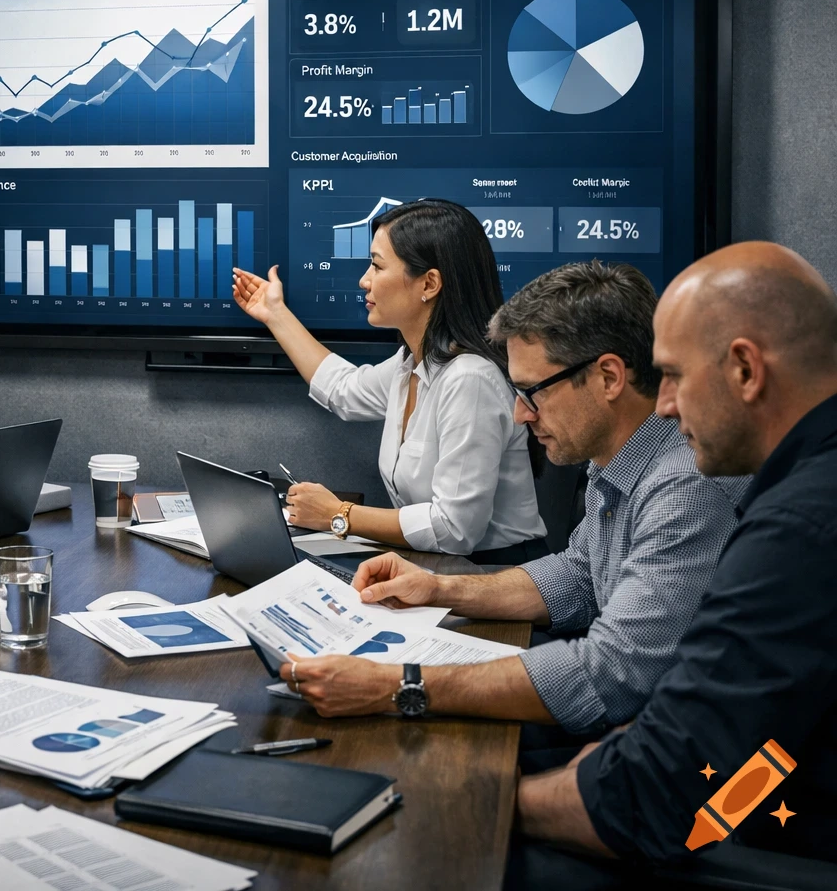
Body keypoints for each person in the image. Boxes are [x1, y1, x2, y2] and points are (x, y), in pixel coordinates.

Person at [279, 262, 744, 769]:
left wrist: (399, 685)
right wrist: (439, 590)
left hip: (681, 762)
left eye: (532, 392)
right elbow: (576, 578)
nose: (522, 414)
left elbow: (611, 676)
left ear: (609, 376)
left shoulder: (683, 488)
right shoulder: (621, 460)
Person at [515, 242, 837, 879]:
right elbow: (745, 737)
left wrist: (478, 800)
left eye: (674, 376)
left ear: (745, 369)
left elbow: (657, 792)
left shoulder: (799, 529)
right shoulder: (805, 489)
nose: (661, 405)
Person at [233, 198, 545, 562]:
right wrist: (275, 314)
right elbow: (342, 390)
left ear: (429, 283)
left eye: (377, 266)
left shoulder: (470, 379)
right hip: (437, 566)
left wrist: (338, 514)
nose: (364, 280)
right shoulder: (411, 363)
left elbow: (454, 529)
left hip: (497, 579)